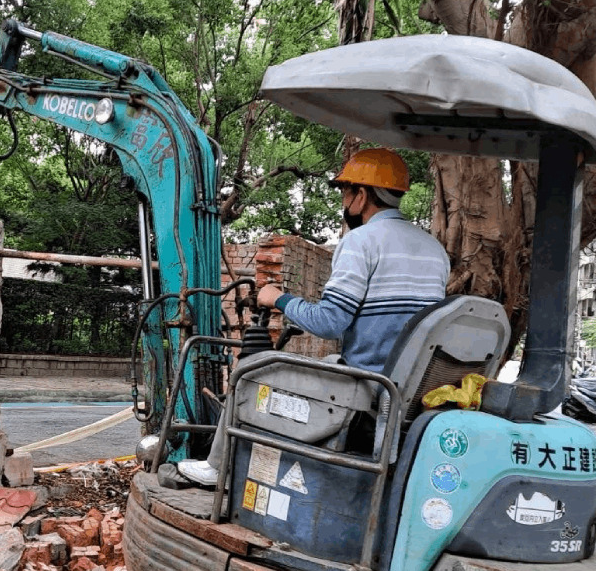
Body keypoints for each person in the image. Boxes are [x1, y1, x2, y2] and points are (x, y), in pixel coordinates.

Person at [178, 147, 450, 486]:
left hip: (368, 385)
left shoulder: (362, 242)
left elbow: (329, 322)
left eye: (345, 193)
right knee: (332, 359)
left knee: (251, 370)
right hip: (409, 385)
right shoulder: (434, 250)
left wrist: (278, 298)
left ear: (361, 195)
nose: (343, 202)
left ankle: (217, 467)